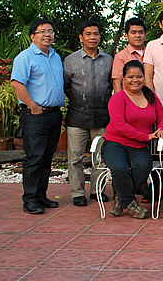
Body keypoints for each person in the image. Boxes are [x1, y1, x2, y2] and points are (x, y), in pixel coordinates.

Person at [101, 60, 163, 219]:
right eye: (130, 76)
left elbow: (162, 118)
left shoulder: (151, 97)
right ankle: (129, 202)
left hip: (139, 146)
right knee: (120, 168)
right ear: (123, 79)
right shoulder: (118, 98)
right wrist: (146, 136)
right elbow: (119, 126)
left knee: (143, 167)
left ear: (144, 78)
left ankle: (121, 199)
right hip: (115, 144)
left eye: (139, 76)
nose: (135, 80)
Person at [11, 19, 65, 214]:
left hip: (54, 114)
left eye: (50, 31)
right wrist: (33, 106)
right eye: (42, 31)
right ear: (33, 36)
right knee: (35, 157)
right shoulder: (25, 57)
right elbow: (17, 83)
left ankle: (41, 195)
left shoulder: (55, 57)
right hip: (35, 114)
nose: (47, 35)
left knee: (46, 157)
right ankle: (30, 199)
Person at [64, 20, 113, 206]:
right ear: (81, 37)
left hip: (102, 116)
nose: (92, 37)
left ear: (100, 36)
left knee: (100, 157)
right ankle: (77, 193)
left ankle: (96, 190)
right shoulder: (70, 61)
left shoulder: (109, 60)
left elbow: (111, 86)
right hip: (77, 115)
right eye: (88, 34)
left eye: (96, 34)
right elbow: (66, 87)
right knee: (75, 157)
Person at [112, 17, 146, 93]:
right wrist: (121, 102)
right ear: (126, 36)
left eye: (141, 32)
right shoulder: (121, 56)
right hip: (130, 100)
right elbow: (117, 84)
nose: (138, 35)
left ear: (145, 34)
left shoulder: (151, 53)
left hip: (150, 98)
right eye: (134, 32)